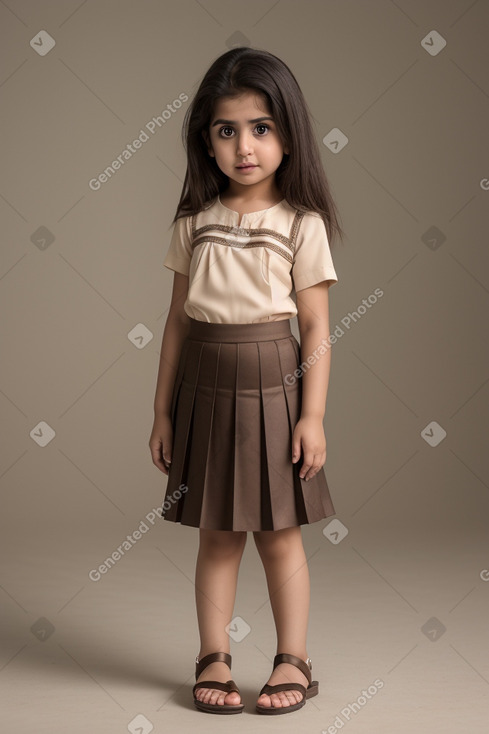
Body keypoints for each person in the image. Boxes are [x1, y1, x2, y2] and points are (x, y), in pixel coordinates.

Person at [149, 46, 345, 716]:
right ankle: (213, 655)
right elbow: (175, 323)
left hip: (275, 383)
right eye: (225, 130)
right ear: (205, 141)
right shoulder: (193, 223)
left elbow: (316, 328)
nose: (243, 146)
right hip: (201, 383)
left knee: (278, 533)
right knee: (216, 532)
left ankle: (294, 657)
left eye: (260, 127)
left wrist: (311, 415)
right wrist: (162, 413)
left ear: (288, 135)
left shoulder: (301, 224)